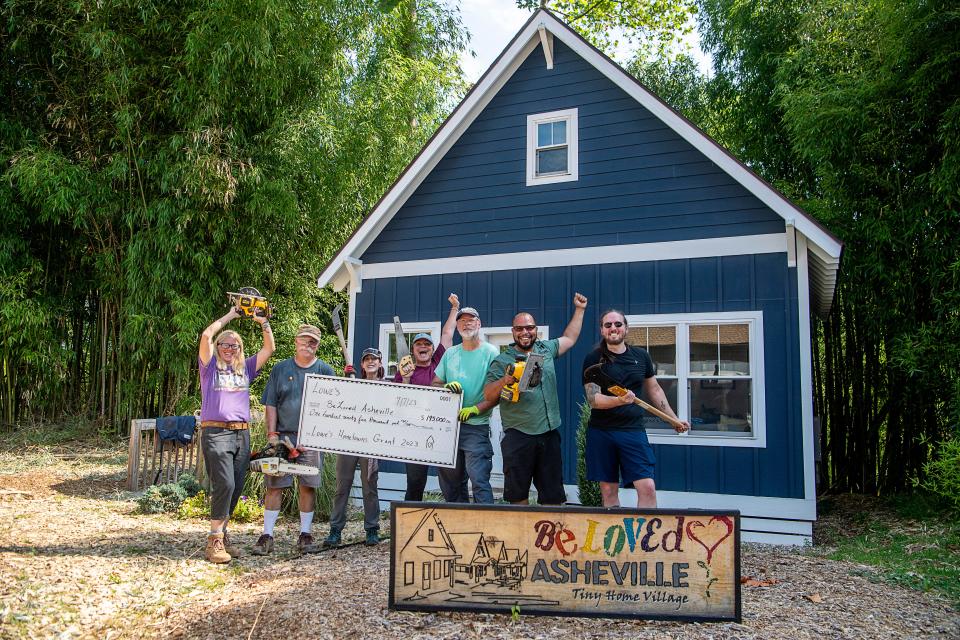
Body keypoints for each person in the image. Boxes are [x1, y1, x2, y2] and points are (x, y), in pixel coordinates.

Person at [483, 293, 588, 505]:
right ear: (513, 332)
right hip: (518, 436)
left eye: (529, 328)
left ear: (535, 330)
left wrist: (580, 309)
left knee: (552, 497)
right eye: (520, 328)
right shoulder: (502, 361)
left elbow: (569, 338)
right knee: (518, 497)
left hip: (549, 435)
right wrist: (505, 380)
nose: (525, 332)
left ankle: (547, 536)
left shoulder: (545, 349)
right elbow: (488, 395)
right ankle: (522, 537)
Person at [582, 310, 690, 508]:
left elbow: (655, 390)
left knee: (647, 486)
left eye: (617, 324)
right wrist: (620, 401)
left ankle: (647, 538)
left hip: (633, 431)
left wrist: (673, 419)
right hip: (602, 432)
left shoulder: (641, 356)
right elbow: (593, 399)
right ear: (602, 330)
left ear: (626, 328)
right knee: (608, 490)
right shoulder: (593, 359)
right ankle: (617, 537)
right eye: (608, 325)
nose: (613, 328)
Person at [198, 306, 274, 563]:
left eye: (235, 346)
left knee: (236, 486)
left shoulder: (245, 369)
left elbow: (268, 349)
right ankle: (214, 540)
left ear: (240, 350)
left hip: (241, 435)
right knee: (225, 484)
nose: (229, 349)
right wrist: (231, 315)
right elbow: (206, 335)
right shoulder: (209, 367)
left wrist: (262, 322)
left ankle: (223, 532)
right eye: (225, 345)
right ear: (218, 347)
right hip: (215, 432)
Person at [253, 324, 334, 555]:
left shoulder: (325, 371)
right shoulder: (280, 369)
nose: (307, 345)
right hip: (283, 439)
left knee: (308, 486)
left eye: (313, 341)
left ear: (318, 344)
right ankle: (267, 534)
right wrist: (272, 434)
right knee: (275, 485)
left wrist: (315, 435)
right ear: (295, 341)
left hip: (312, 440)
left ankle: (305, 534)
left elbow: (332, 409)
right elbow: (271, 403)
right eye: (304, 340)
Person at [392, 294, 458, 500]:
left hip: (440, 430)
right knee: (415, 481)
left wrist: (455, 308)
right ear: (413, 349)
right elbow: (396, 401)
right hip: (414, 433)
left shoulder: (439, 360)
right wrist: (406, 379)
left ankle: (452, 517)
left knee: (450, 480)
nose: (423, 347)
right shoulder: (404, 369)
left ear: (432, 349)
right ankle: (409, 521)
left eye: (427, 344)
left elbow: (447, 334)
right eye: (419, 344)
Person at [431, 305, 500, 503]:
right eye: (462, 321)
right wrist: (445, 387)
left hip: (476, 428)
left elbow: (497, 393)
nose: (466, 324)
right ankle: (458, 526)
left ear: (479, 324)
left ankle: (486, 529)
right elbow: (435, 383)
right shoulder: (450, 353)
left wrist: (476, 409)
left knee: (479, 480)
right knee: (451, 482)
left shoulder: (491, 353)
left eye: (471, 320)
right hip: (449, 427)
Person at [324, 347, 385, 548]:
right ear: (361, 364)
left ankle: (372, 529)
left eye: (374, 359)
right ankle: (335, 530)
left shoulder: (388, 387)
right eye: (366, 359)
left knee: (370, 485)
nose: (370, 362)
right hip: (348, 440)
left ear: (380, 363)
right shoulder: (352, 383)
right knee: (342, 486)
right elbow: (338, 401)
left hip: (371, 442)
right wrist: (345, 381)